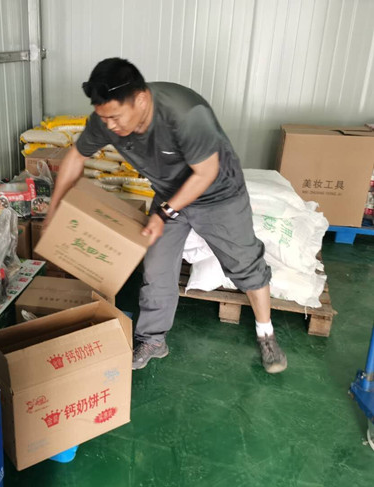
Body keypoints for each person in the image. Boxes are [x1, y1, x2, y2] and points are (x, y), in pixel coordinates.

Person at [44, 58, 287, 374]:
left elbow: (205, 173)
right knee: (156, 269)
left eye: (116, 117)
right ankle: (153, 340)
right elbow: (76, 157)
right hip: (168, 193)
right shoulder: (106, 119)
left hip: (219, 194)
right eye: (104, 118)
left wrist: (164, 213)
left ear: (141, 100)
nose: (110, 126)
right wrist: (54, 209)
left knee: (245, 265)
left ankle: (266, 334)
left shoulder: (185, 115)